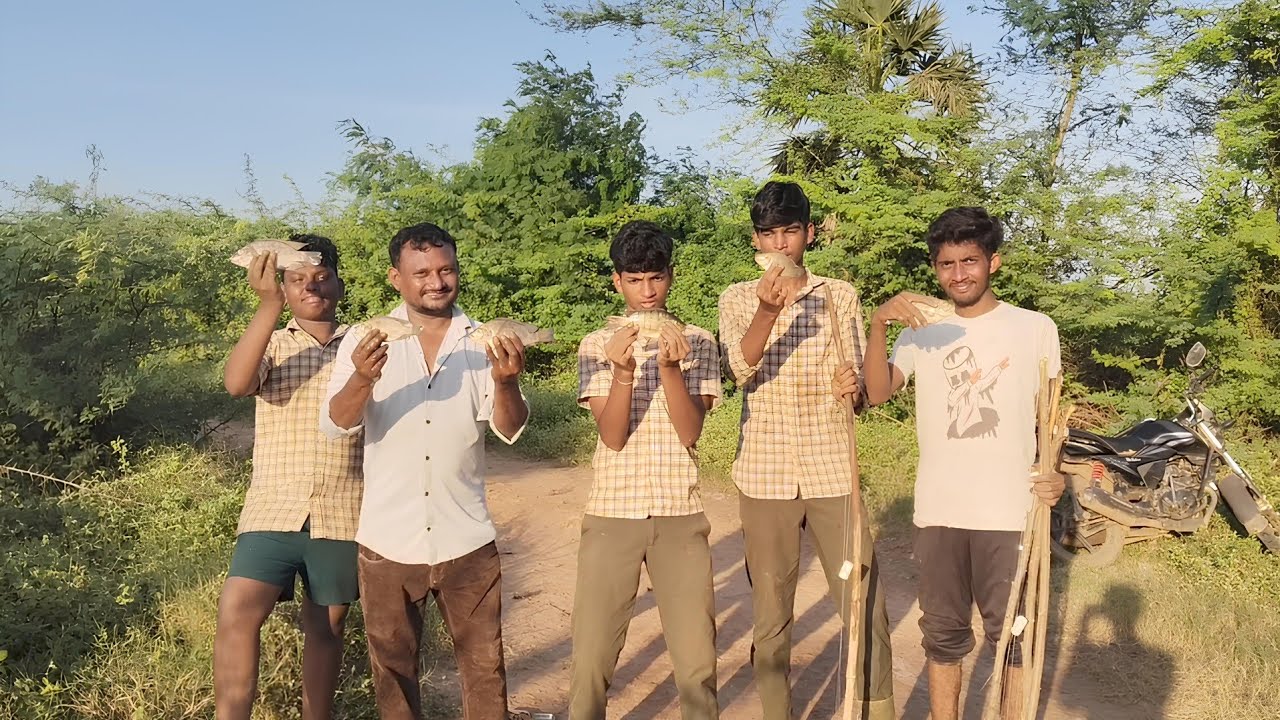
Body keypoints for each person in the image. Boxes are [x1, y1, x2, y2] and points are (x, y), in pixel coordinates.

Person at [320, 223, 531, 720]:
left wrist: (506, 383)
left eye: (446, 270)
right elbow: (335, 424)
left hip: (467, 538)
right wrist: (362, 377)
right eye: (422, 274)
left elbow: (510, 429)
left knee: (484, 670)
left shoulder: (484, 340)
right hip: (388, 541)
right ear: (396, 278)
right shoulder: (365, 340)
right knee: (393, 675)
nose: (437, 282)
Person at [861, 206, 1065, 720]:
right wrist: (879, 322)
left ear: (993, 261)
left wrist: (1056, 475)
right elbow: (878, 393)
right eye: (946, 264)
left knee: (1013, 638)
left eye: (969, 261)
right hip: (940, 511)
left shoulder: (1034, 328)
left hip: (1010, 512)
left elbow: (1052, 420)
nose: (958, 275)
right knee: (943, 636)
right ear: (936, 268)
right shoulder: (920, 330)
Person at [717, 182, 895, 720]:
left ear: (808, 234)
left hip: (832, 468)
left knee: (864, 604)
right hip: (765, 471)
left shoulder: (839, 295)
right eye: (769, 234)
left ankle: (875, 710)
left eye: (790, 231)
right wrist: (767, 312)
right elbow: (739, 370)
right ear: (756, 240)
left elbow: (861, 390)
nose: (781, 244)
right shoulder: (737, 297)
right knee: (771, 613)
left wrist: (852, 388)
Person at [570, 220, 722, 720]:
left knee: (697, 662)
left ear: (670, 276)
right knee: (592, 657)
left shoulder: (698, 341)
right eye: (634, 280)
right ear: (618, 282)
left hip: (680, 511)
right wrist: (622, 371)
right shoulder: (597, 343)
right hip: (613, 512)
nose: (647, 291)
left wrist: (670, 369)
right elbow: (613, 436)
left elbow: (690, 432)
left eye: (655, 278)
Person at [214, 234, 363, 720]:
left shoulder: (364, 345)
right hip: (273, 510)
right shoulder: (273, 342)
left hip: (342, 513)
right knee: (237, 612)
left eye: (321, 277)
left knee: (325, 629)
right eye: (297, 279)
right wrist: (268, 307)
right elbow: (237, 383)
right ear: (283, 286)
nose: (311, 287)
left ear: (340, 284)